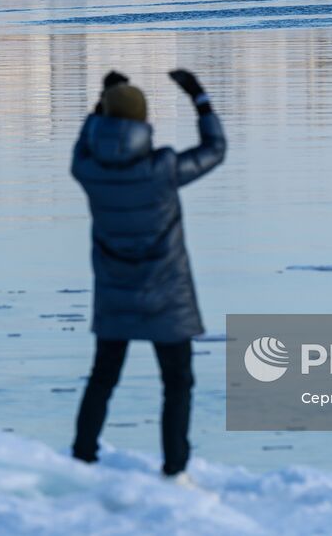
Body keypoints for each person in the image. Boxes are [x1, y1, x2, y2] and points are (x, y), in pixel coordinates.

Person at [70, 69, 226, 480]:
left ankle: (82, 457)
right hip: (167, 295)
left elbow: (82, 147)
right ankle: (175, 468)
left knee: (103, 378)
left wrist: (101, 103)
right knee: (176, 383)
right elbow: (215, 149)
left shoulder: (89, 170)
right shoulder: (163, 169)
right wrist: (199, 98)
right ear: (144, 121)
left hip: (114, 293)